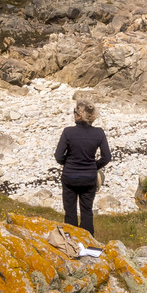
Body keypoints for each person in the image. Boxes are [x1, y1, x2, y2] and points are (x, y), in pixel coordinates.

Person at [54, 99, 111, 236]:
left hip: (70, 177)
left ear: (79, 115)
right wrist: (93, 166)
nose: (73, 114)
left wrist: (68, 163)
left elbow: (58, 156)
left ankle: (70, 242)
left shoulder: (68, 132)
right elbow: (106, 157)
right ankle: (88, 243)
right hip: (89, 178)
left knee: (70, 211)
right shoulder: (99, 133)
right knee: (87, 211)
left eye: (74, 111)